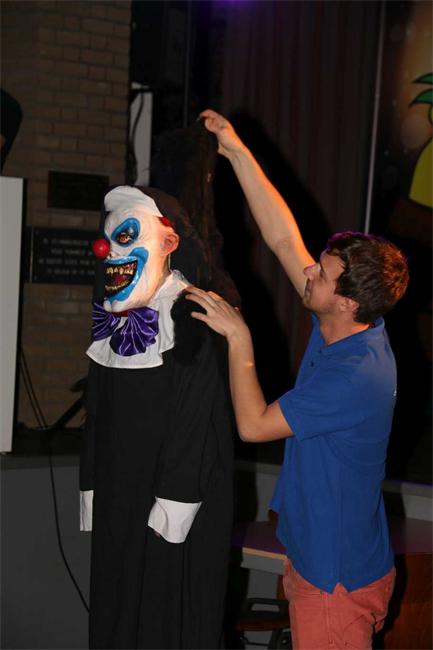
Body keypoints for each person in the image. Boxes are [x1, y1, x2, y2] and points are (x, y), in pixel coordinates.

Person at [186, 109, 409, 650]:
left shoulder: (356, 375)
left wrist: (239, 339)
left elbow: (254, 426)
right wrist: (235, 149)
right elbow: (284, 239)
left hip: (335, 583)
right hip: (326, 560)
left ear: (347, 301)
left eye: (322, 274)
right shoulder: (344, 324)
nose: (309, 270)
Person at [80, 185, 234, 649]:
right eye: (108, 239)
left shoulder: (193, 314)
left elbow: (197, 420)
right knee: (115, 607)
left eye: (126, 236)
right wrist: (91, 485)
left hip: (172, 500)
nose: (109, 251)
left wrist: (175, 502)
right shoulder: (109, 320)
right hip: (118, 495)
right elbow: (97, 411)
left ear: (169, 242)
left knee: (162, 615)